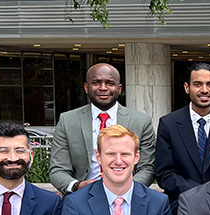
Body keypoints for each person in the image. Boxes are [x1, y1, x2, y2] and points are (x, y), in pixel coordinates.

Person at [49, 62, 157, 194]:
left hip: (129, 196)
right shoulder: (68, 121)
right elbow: (58, 170)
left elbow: (147, 168)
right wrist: (78, 186)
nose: (103, 88)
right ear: (86, 87)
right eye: (96, 82)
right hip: (81, 197)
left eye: (110, 83)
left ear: (119, 88)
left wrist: (126, 189)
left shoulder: (141, 121)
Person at [155, 62, 210, 212]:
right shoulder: (169, 124)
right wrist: (200, 193)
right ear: (186, 87)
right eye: (197, 84)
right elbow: (164, 174)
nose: (204, 90)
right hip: (182, 203)